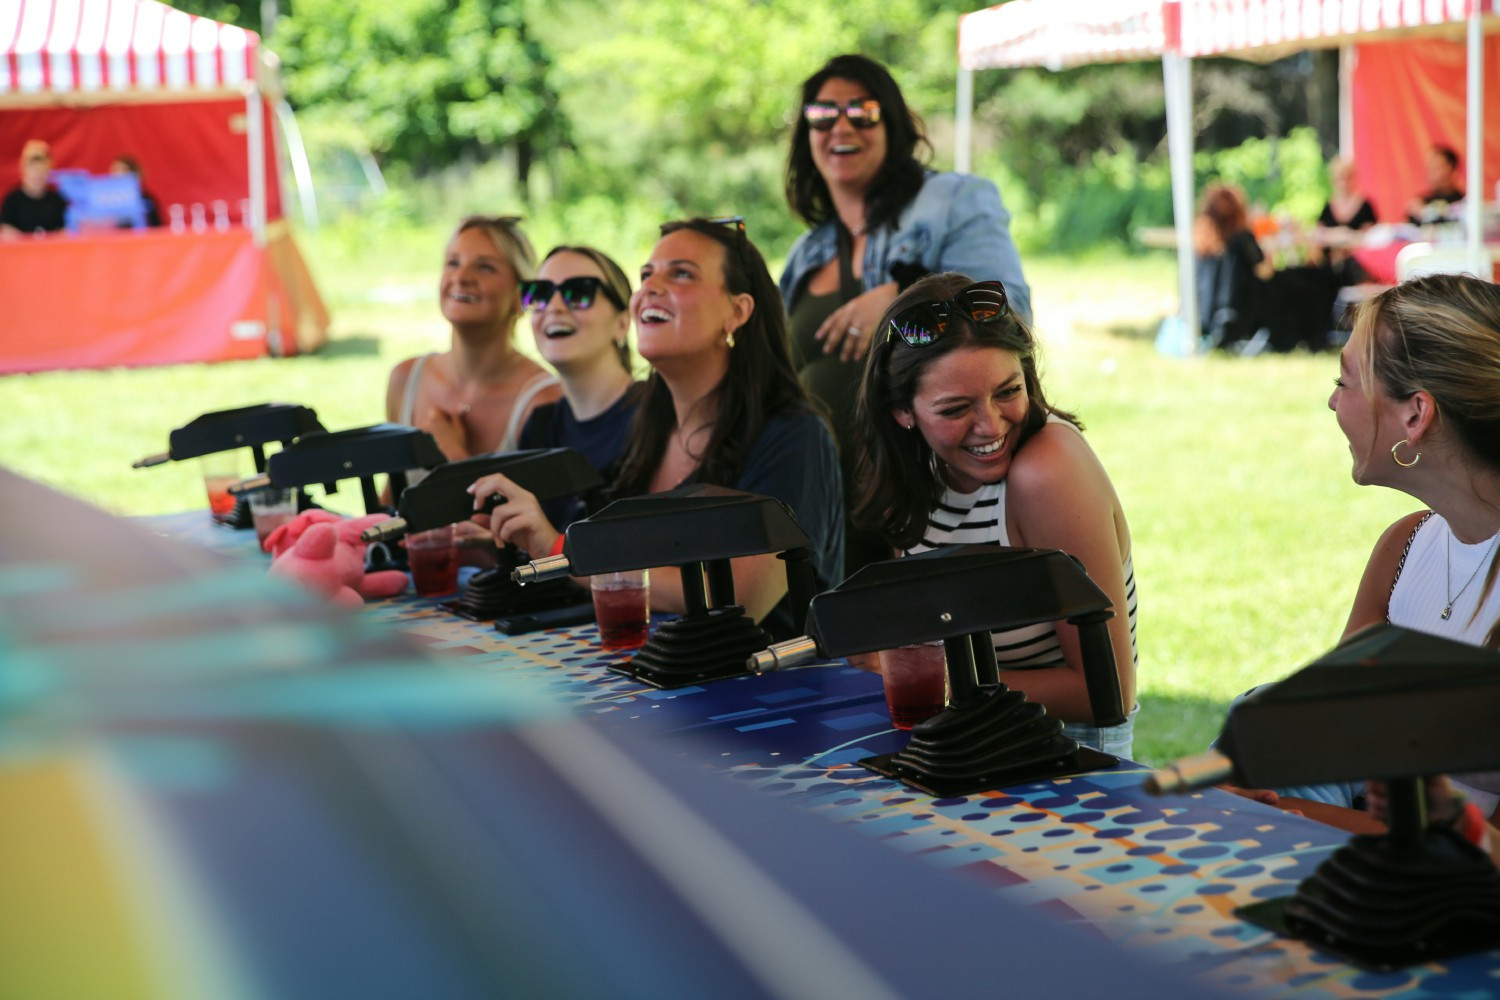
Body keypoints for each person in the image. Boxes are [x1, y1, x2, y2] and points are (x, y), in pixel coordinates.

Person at [475, 218, 843, 641]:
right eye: (646, 275)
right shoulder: (647, 426)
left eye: (681, 274)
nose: (650, 287)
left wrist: (555, 550)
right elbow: (614, 560)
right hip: (658, 674)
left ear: (737, 311)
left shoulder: (793, 435)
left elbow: (744, 596)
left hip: (773, 691)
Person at [852, 273, 1137, 756]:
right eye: (956, 408)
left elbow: (1107, 692)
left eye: (1008, 391)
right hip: (960, 743)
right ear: (903, 411)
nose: (991, 425)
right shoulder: (917, 469)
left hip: (1066, 760)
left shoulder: (1046, 474)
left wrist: (932, 680)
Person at [780, 53, 1031, 575]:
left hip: (918, 499)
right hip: (814, 509)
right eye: (823, 115)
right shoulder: (807, 251)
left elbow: (1011, 309)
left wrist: (900, 299)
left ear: (892, 124)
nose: (841, 125)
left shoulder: (954, 200)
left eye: (862, 111)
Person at [468, 244, 642, 535]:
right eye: (540, 294)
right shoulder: (540, 427)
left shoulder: (654, 417)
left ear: (623, 323)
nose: (555, 307)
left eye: (579, 293)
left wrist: (549, 545)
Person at [385, 216, 562, 464]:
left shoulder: (544, 400)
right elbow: (391, 496)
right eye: (453, 263)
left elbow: (535, 503)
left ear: (520, 295)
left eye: (485, 267)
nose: (462, 276)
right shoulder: (405, 379)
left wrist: (453, 455)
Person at [1194, 183, 1275, 351]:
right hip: (1238, 314)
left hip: (1203, 316)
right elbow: (1265, 272)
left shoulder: (1202, 239)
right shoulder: (1242, 238)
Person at [0, 140, 67, 238]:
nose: (37, 175)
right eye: (33, 169)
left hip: (52, 251)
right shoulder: (12, 200)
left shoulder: (57, 200)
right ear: (23, 171)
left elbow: (65, 231)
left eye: (42, 170)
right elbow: (6, 231)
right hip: (21, 252)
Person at [1406, 143, 1464, 225]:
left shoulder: (1464, 202)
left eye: (1436, 167)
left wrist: (1425, 213)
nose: (1430, 173)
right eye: (1429, 167)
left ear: (1451, 168)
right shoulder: (1420, 202)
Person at [110, 155, 162, 228]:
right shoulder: (106, 201)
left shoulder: (146, 199)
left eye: (122, 169)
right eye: (115, 169)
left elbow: (156, 228)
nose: (117, 174)